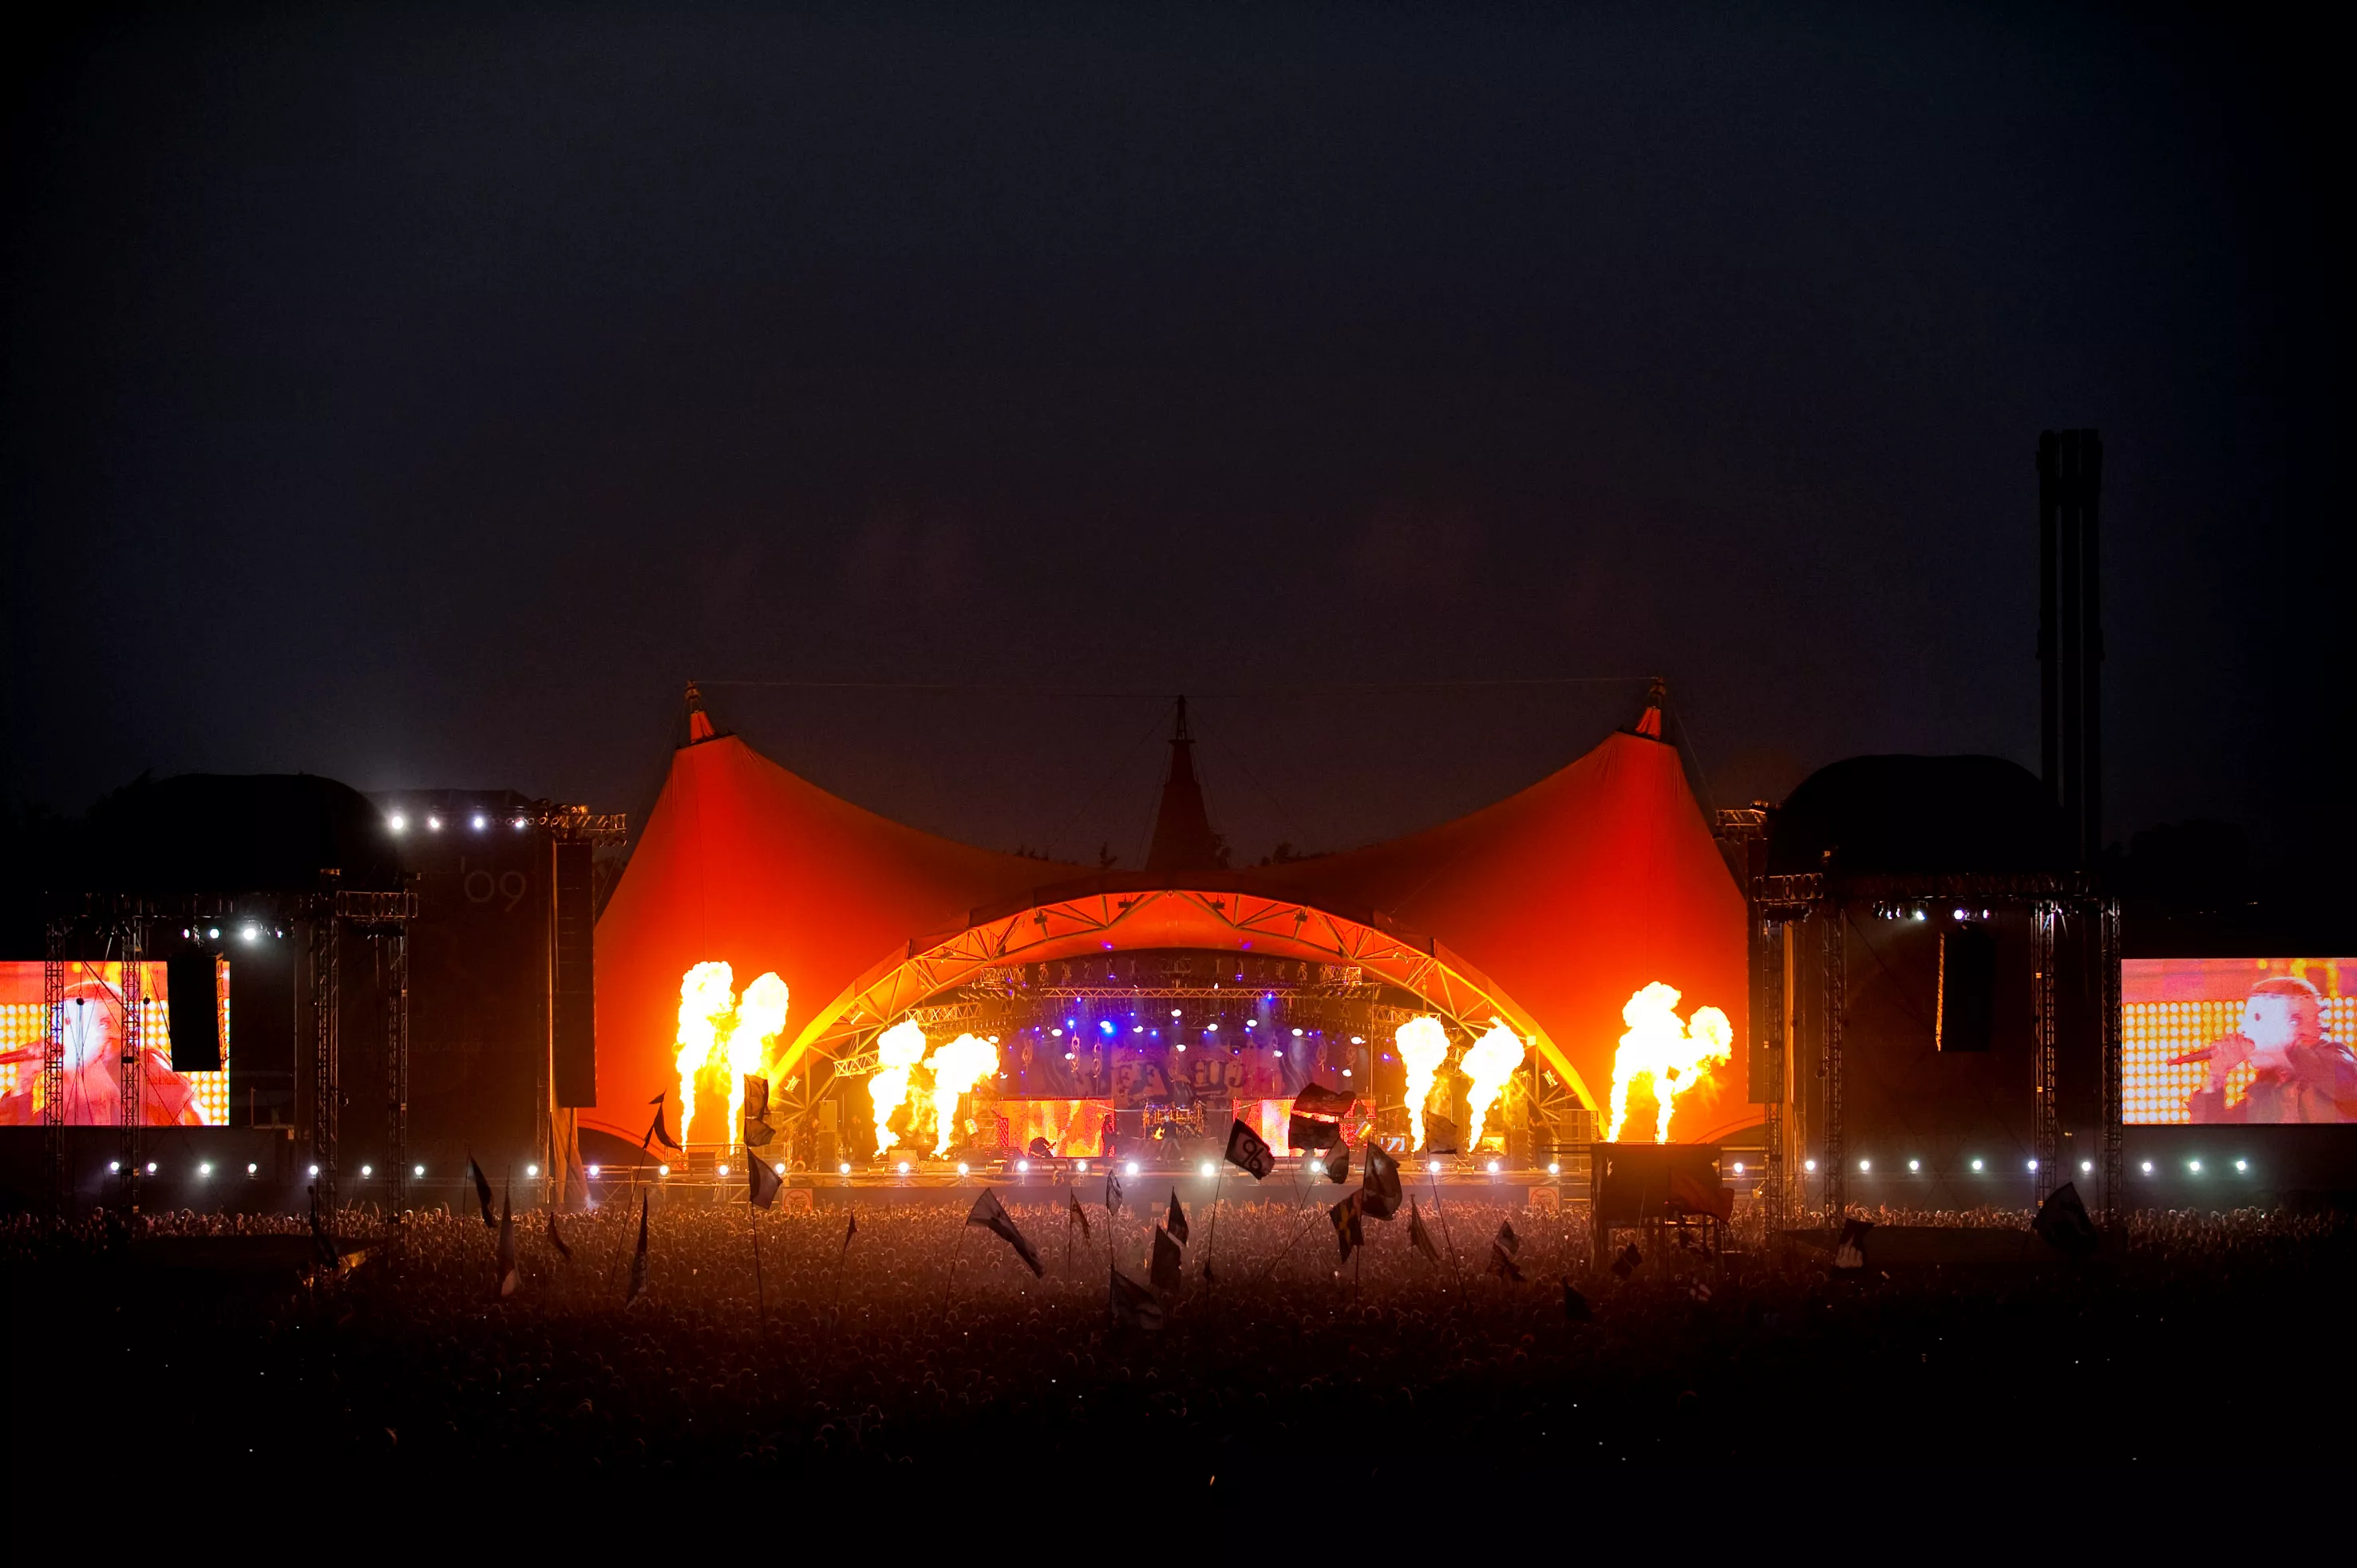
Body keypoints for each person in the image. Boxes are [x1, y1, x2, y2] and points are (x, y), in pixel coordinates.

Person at [0, 975, 206, 1126]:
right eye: (55, 1025)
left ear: (105, 1027)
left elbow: (187, 1112)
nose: (56, 1035)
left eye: (68, 1022)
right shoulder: (63, 1103)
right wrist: (24, 1082)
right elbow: (17, 1148)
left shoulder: (147, 1071)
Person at [2186, 974, 2357, 1124]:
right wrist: (2216, 1075)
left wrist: (2279, 1046)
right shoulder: (2265, 1092)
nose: (2245, 1030)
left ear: (2295, 1022)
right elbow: (2214, 1138)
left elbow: (2343, 1084)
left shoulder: (2336, 1061)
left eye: (2258, 1018)